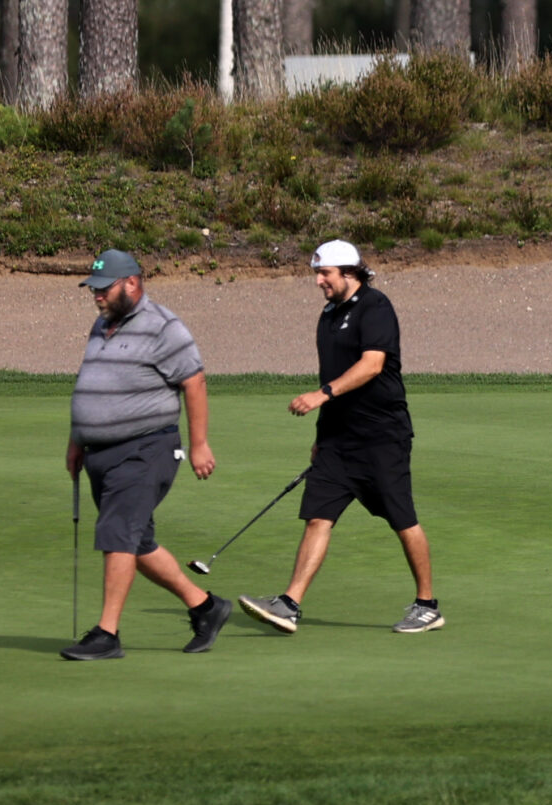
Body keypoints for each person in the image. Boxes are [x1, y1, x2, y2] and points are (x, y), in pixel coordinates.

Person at [239, 241, 442, 635]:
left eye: (324, 274)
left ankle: (427, 605)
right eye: (317, 274)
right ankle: (289, 604)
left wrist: (322, 395)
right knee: (318, 516)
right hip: (337, 441)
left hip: (381, 437)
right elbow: (330, 373)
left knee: (402, 518)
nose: (318, 281)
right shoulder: (329, 315)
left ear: (349, 272)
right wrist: (322, 434)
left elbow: (372, 364)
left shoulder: (375, 307)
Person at [62, 249, 231, 659]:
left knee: (118, 533)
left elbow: (194, 381)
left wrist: (199, 444)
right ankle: (206, 607)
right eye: (93, 289)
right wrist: (77, 439)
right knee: (137, 543)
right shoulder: (102, 325)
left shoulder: (163, 326)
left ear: (132, 283)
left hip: (146, 448)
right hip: (101, 452)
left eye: (104, 288)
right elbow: (92, 385)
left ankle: (107, 634)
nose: (97, 295)